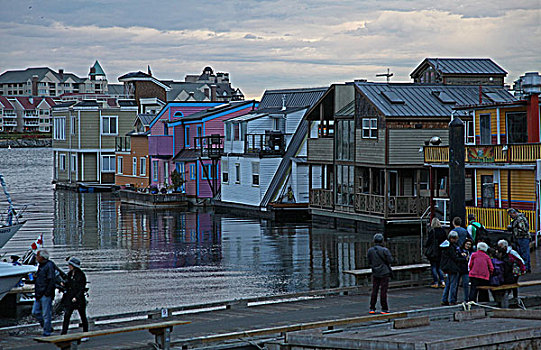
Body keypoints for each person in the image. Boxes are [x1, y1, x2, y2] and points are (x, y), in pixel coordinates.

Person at [61, 257, 89, 337]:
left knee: (82, 316)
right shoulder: (69, 274)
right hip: (70, 298)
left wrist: (76, 297)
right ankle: (64, 333)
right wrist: (64, 284)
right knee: (67, 316)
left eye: (70, 264)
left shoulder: (81, 275)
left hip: (79, 299)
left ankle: (85, 333)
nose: (68, 266)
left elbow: (81, 288)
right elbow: (68, 283)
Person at [367, 233, 393, 314]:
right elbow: (390, 260)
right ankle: (384, 308)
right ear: (382, 241)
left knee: (374, 290)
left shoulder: (370, 250)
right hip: (384, 272)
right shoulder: (385, 250)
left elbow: (369, 261)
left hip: (375, 272)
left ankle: (372, 308)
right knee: (383, 291)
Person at [32, 249, 56, 336]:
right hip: (39, 293)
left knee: (46, 314)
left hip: (45, 294)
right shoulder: (41, 266)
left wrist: (47, 293)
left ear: (42, 257)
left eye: (37, 256)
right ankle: (47, 327)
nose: (36, 258)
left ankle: (47, 332)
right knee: (35, 312)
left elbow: (51, 280)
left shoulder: (49, 265)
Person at [440, 231, 465, 305]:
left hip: (447, 267)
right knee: (453, 285)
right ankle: (452, 300)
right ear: (452, 238)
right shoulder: (451, 247)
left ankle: (444, 299)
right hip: (453, 267)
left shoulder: (445, 246)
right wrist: (464, 258)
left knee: (448, 284)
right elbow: (454, 258)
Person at [424, 218, 447, 288]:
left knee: (433, 267)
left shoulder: (432, 231)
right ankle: (442, 281)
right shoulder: (443, 231)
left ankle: (436, 282)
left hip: (434, 252)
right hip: (441, 251)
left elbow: (429, 241)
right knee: (439, 267)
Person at [507, 208, 531, 272]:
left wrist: (513, 228)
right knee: (525, 252)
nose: (510, 217)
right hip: (522, 238)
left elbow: (523, 229)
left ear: (514, 213)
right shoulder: (518, 219)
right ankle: (527, 267)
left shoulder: (520, 219)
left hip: (522, 238)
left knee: (524, 253)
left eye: (511, 215)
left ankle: (525, 267)